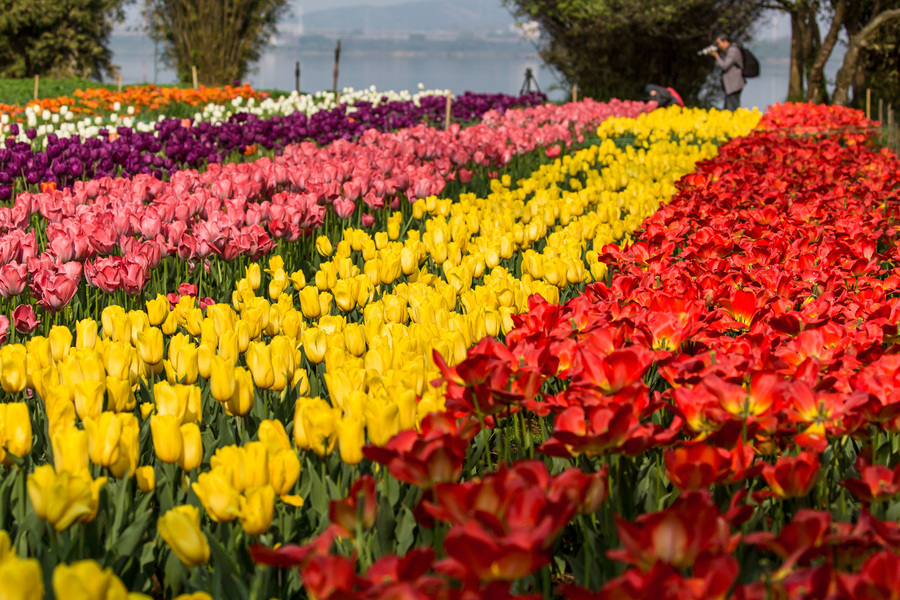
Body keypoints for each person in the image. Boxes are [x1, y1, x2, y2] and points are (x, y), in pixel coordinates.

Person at [711, 32, 743, 111]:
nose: (718, 45)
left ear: (725, 41)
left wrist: (716, 56)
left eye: (719, 43)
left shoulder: (733, 50)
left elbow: (725, 66)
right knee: (727, 108)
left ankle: (734, 122)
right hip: (729, 85)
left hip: (734, 85)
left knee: (732, 107)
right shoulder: (726, 51)